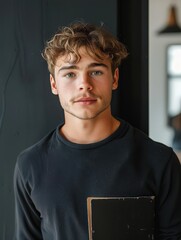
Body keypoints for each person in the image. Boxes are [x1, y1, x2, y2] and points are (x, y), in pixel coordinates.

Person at [13, 22, 181, 240]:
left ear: (115, 78)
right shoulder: (30, 165)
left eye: (96, 71)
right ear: (54, 84)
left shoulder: (159, 160)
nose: (84, 84)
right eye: (70, 74)